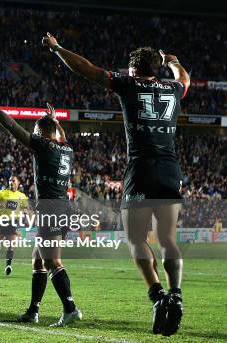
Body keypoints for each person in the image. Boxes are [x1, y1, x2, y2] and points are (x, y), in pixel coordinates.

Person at [41, 33, 189, 336]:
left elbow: (87, 69)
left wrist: (57, 49)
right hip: (170, 169)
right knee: (168, 239)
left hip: (142, 169)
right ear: (156, 68)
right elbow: (184, 78)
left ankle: (157, 296)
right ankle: (176, 295)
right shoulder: (173, 88)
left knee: (136, 238)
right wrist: (173, 62)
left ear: (133, 69)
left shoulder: (128, 84)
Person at [0, 88, 81, 327]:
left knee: (52, 261)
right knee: (37, 260)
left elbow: (13, 127)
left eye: (36, 131)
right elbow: (61, 135)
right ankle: (33, 311)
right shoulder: (67, 149)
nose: (33, 134)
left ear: (42, 134)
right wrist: (55, 120)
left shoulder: (44, 146)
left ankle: (70, 308)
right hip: (63, 207)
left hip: (51, 209)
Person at [0, 176, 28, 274]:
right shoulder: (2, 192)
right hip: (3, 221)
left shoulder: (22, 196)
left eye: (13, 180)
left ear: (18, 182)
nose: (11, 182)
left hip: (14, 222)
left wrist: (26, 216)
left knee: (11, 245)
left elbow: (25, 208)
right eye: (10, 180)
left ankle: (8, 265)